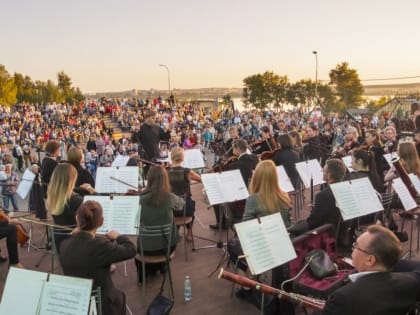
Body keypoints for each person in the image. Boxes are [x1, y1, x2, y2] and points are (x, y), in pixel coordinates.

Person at [315, 225, 420, 315]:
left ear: (370, 260)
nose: (353, 248)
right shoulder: (411, 281)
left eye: (356, 245)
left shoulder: (342, 298)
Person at [60, 200, 136, 315]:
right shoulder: (101, 247)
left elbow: (84, 256)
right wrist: (118, 236)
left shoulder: (64, 244)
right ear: (101, 222)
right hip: (102, 305)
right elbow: (131, 249)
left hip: (76, 301)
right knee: (119, 296)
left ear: (77, 219)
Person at [289, 159, 353, 253]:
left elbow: (313, 222)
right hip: (344, 234)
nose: (322, 172)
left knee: (296, 229)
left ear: (329, 174)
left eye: (323, 170)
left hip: (328, 236)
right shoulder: (347, 190)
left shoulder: (323, 195)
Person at [137, 165, 184, 282]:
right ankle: (162, 266)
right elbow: (181, 205)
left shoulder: (140, 199)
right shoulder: (170, 197)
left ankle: (144, 275)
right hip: (167, 248)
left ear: (149, 179)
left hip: (144, 249)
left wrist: (141, 193)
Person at [210, 139, 258, 229]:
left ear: (238, 149)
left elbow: (229, 182)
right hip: (255, 193)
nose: (232, 150)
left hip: (240, 196)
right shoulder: (254, 158)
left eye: (234, 148)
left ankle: (223, 223)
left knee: (216, 196)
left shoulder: (234, 165)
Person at [46, 163, 85, 251]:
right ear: (71, 181)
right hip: (76, 245)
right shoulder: (76, 201)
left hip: (60, 242)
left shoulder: (53, 197)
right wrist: (93, 193)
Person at [168, 147, 201, 241]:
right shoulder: (187, 171)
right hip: (186, 208)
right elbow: (200, 179)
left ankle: (176, 232)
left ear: (171, 157)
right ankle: (189, 232)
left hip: (171, 208)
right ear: (182, 158)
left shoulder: (166, 171)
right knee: (191, 205)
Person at [138, 110, 160, 175]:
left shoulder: (156, 127)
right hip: (146, 157)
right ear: (147, 118)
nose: (154, 119)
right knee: (147, 176)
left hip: (156, 156)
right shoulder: (142, 129)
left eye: (155, 118)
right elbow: (140, 143)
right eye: (152, 118)